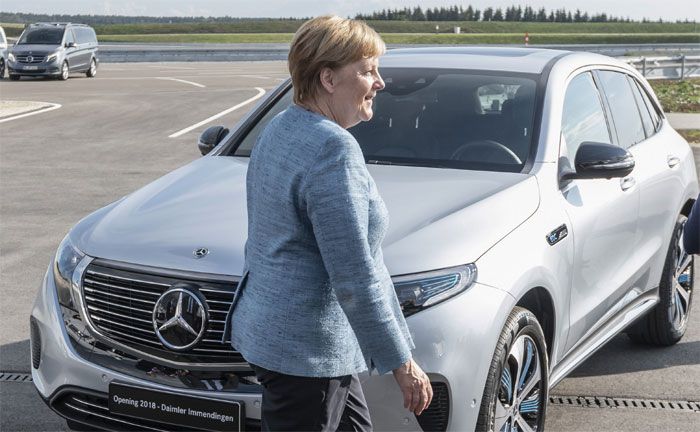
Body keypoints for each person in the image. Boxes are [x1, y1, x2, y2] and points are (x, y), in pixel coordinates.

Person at [227, 15, 433, 431]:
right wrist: (402, 363)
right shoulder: (332, 149)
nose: (380, 82)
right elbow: (355, 275)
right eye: (368, 71)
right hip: (306, 356)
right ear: (328, 79)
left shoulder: (281, 127)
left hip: (279, 339)